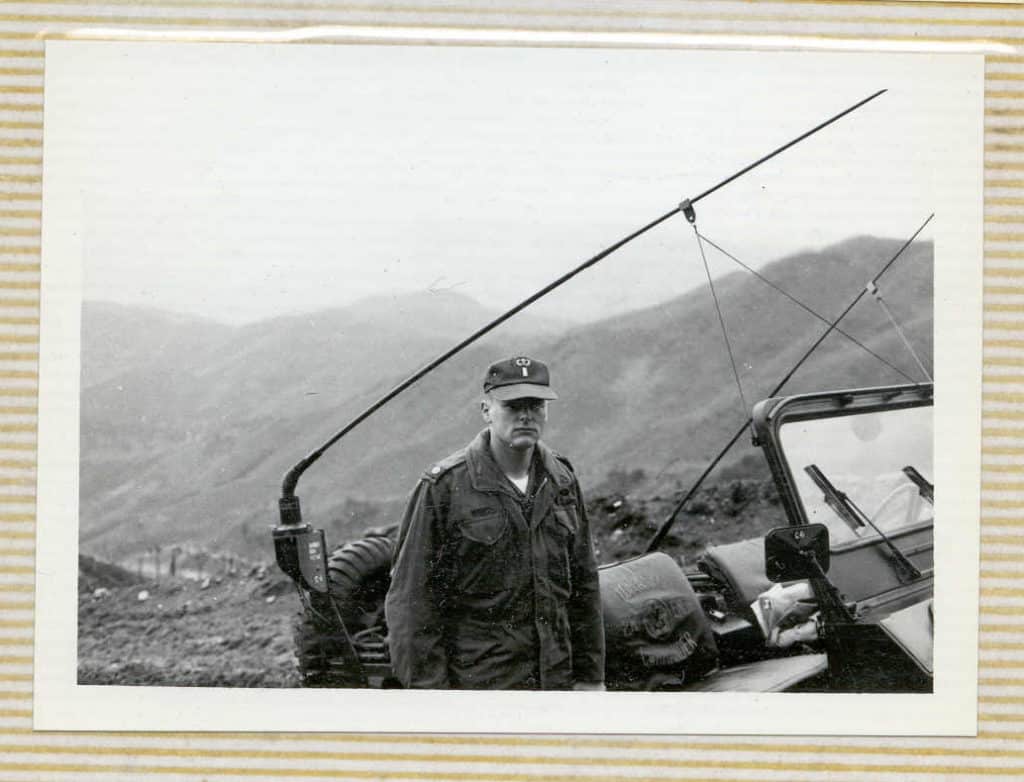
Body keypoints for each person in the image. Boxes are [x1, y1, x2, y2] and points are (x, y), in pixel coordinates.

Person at [384, 356, 605, 690]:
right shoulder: (445, 486)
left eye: (535, 405)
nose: (526, 415)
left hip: (555, 684)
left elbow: (585, 585)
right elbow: (411, 604)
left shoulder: (561, 479)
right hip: (481, 690)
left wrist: (591, 678)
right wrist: (430, 701)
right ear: (486, 410)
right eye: (513, 405)